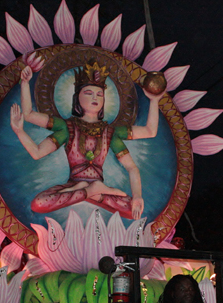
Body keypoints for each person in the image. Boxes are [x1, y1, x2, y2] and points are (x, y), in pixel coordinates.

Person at [11, 61, 165, 220]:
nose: (94, 98)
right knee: (38, 203)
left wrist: (154, 100)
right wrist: (25, 85)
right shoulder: (66, 127)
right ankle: (91, 191)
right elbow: (30, 122)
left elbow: (148, 134)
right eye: (88, 93)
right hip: (74, 184)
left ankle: (90, 190)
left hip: (79, 191)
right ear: (77, 97)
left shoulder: (110, 132)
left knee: (132, 210)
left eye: (99, 94)